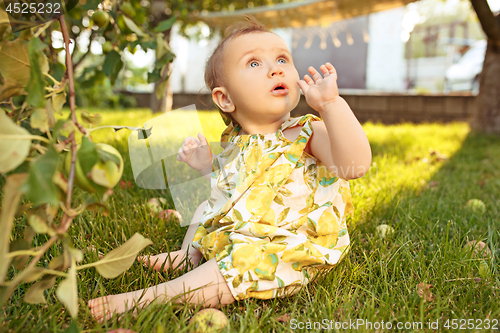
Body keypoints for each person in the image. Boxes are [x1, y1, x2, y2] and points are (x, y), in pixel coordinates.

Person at [88, 15, 372, 322]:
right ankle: (187, 256)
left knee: (243, 260)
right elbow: (233, 194)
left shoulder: (307, 133)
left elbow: (353, 165)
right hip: (244, 231)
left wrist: (331, 105)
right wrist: (205, 167)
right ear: (225, 99)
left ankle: (150, 298)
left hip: (290, 243)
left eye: (281, 59)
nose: (275, 68)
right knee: (204, 209)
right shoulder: (235, 142)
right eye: (254, 64)